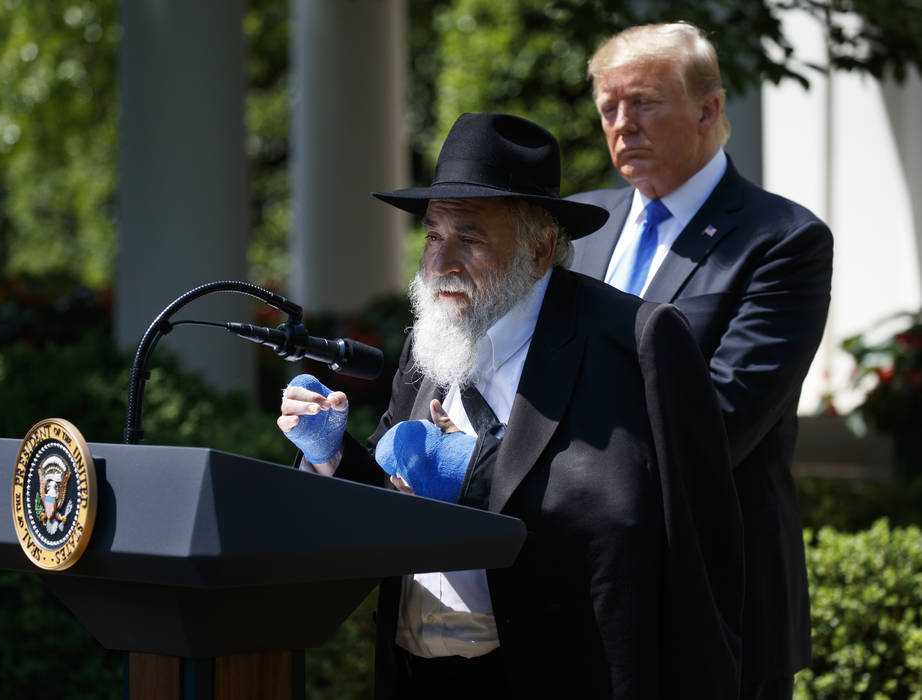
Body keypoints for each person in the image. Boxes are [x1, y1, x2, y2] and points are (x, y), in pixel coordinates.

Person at [278, 112, 744, 699]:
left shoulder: (636, 340)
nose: (441, 262)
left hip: (561, 675)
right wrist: (331, 455)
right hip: (420, 673)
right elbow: (395, 499)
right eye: (433, 235)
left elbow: (689, 545)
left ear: (542, 247)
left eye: (469, 238)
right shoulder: (433, 335)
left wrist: (470, 469)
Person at [566, 22, 834, 700]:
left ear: (709, 110)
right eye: (608, 108)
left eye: (645, 102)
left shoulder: (782, 238)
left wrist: (555, 448)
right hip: (577, 592)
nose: (623, 124)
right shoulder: (574, 228)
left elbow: (725, 415)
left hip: (716, 598)